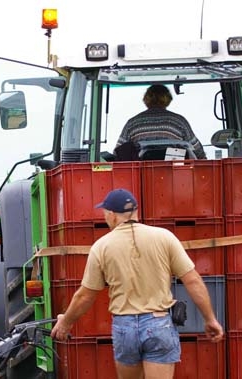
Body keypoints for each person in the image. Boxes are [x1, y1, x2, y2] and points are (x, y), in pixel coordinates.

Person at [50, 188, 223, 379]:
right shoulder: (164, 237)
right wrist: (210, 319)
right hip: (159, 323)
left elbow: (85, 295)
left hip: (125, 327)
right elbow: (193, 280)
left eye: (105, 214)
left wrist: (65, 322)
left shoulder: (101, 247)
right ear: (135, 211)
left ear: (112, 215)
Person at [113, 84, 207, 160]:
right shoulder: (179, 121)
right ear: (168, 99)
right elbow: (197, 150)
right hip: (176, 176)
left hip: (141, 177)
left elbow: (118, 151)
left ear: (146, 99)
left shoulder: (132, 123)